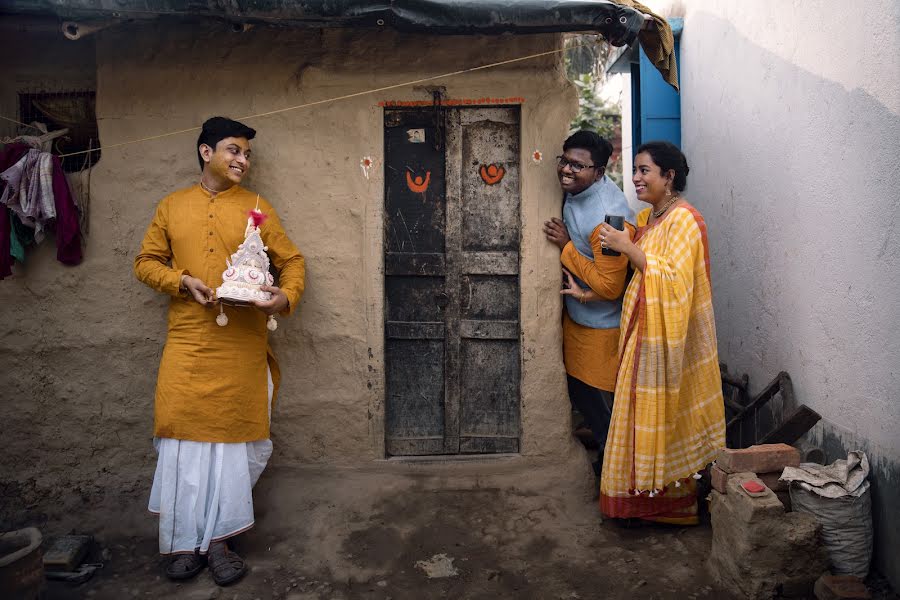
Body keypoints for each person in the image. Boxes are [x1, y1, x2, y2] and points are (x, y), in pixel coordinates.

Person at [134, 117, 305, 585]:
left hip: (241, 343)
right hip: (188, 341)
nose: (242, 160)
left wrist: (284, 296)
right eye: (233, 150)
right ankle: (184, 540)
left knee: (233, 444)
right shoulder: (171, 206)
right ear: (206, 152)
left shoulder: (256, 206)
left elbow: (291, 260)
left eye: (247, 154)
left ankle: (219, 541)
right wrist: (180, 281)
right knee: (183, 441)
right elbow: (146, 262)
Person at [593, 141, 724, 525]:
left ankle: (674, 506)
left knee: (666, 417)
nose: (635, 178)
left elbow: (674, 280)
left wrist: (626, 246)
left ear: (669, 177)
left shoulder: (684, 219)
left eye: (644, 170)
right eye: (634, 170)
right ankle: (651, 502)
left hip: (666, 340)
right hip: (645, 335)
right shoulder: (655, 217)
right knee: (642, 416)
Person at [543, 130, 635, 477]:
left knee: (604, 411)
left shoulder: (606, 218)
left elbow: (610, 286)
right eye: (564, 161)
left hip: (602, 329)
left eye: (578, 166)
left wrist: (567, 246)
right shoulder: (579, 190)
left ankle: (616, 481)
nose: (567, 170)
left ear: (599, 171)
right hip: (580, 319)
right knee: (584, 400)